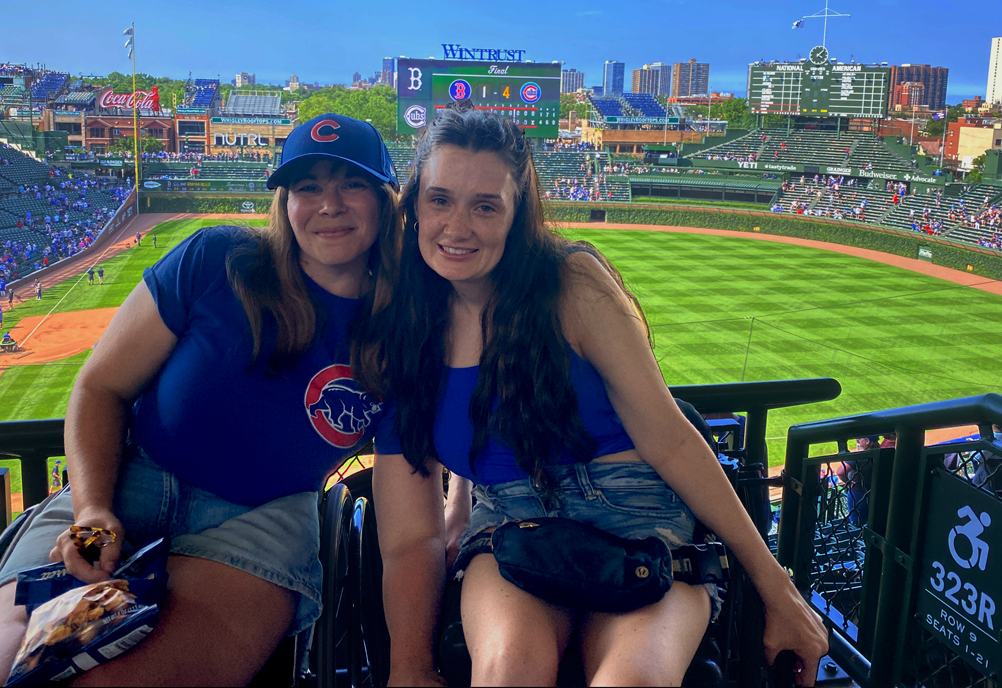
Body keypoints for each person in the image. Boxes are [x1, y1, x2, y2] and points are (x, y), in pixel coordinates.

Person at [357, 104, 827, 687]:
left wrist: (777, 588)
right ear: (415, 204)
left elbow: (670, 441)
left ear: (517, 213)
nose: (458, 225)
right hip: (513, 522)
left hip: (643, 517)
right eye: (440, 199)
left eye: (486, 206)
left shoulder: (570, 284)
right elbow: (409, 535)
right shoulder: (404, 330)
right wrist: (408, 667)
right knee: (507, 674)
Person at [0, 113, 399, 685]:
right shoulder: (218, 258)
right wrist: (92, 508)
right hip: (123, 480)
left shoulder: (406, 327)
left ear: (385, 199)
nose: (328, 204)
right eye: (307, 186)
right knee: (9, 655)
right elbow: (100, 386)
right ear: (284, 201)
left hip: (259, 522)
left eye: (352, 183)